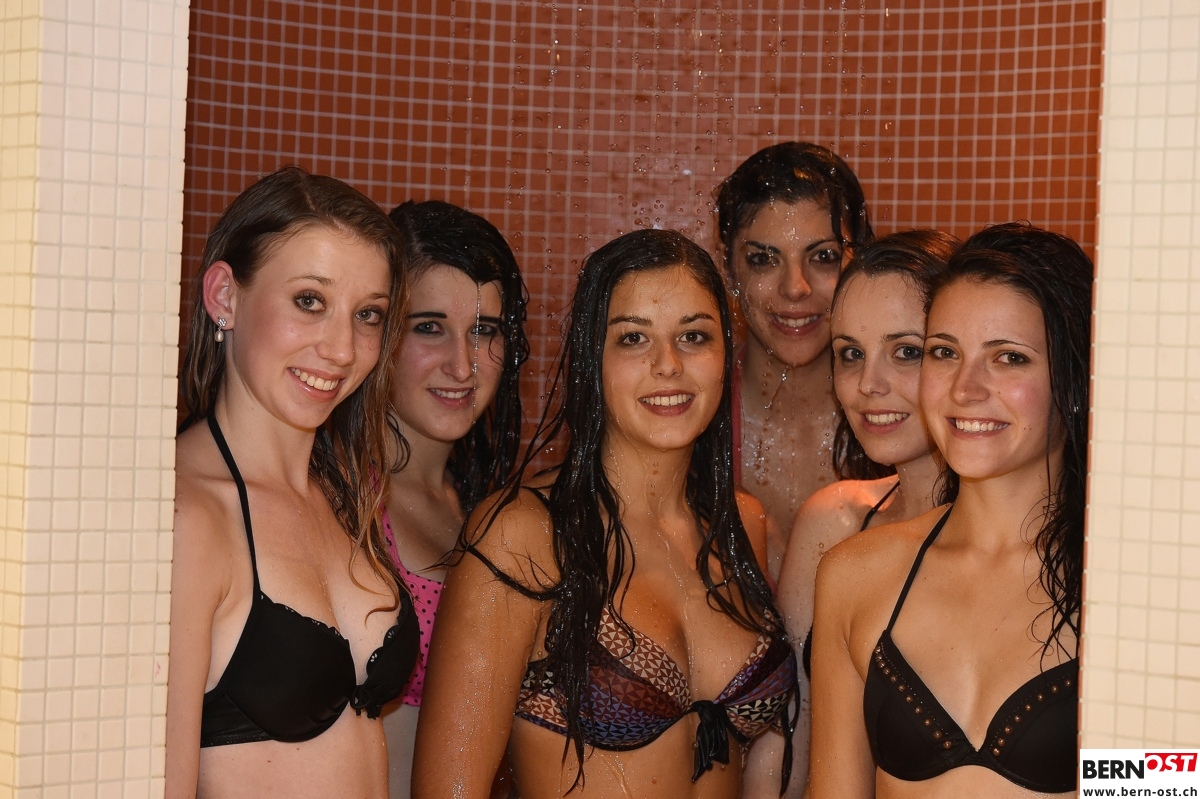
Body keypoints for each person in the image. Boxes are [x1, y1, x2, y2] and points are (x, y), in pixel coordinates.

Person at [413, 229, 798, 799]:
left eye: (693, 336)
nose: (668, 365)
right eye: (633, 338)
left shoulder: (740, 522)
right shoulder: (521, 534)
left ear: (725, 356)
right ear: (592, 361)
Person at [808, 222, 1090, 798]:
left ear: (1074, 377)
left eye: (1008, 358)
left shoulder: (1133, 588)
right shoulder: (855, 576)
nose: (965, 389)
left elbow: (1162, 785)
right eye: (944, 352)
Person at [166, 167, 419, 798]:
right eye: (310, 301)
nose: (342, 349)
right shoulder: (188, 517)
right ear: (225, 297)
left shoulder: (342, 495)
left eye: (368, 315)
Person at [758, 230, 958, 794]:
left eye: (907, 352)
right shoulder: (833, 524)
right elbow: (792, 732)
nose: (869, 385)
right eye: (850, 354)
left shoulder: (1038, 539)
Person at [379, 200, 529, 798]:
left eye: (484, 331)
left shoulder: (481, 507)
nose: (463, 366)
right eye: (429, 327)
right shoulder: (338, 501)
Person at [715, 142, 874, 573]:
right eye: (764, 260)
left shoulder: (902, 419)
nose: (795, 288)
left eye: (823, 257)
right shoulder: (691, 419)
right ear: (730, 270)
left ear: (857, 261)